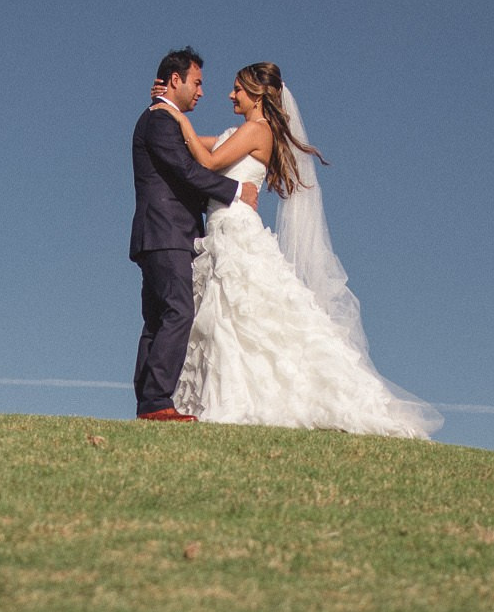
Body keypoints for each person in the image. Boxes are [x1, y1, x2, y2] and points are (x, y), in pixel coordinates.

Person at [150, 62, 439, 438]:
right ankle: (224, 395)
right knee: (227, 319)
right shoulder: (238, 132)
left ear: (256, 93)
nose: (229, 94)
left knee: (244, 314)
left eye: (237, 88)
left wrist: (172, 112)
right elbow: (191, 145)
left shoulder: (258, 130)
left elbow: (207, 161)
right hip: (219, 235)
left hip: (237, 232)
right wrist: (169, 114)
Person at [128, 48, 259, 421]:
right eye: (197, 82)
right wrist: (235, 192)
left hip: (159, 234)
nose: (201, 91)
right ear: (175, 80)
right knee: (178, 311)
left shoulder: (165, 118)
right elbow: (186, 170)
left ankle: (149, 404)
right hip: (166, 232)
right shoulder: (159, 121)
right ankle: (156, 401)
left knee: (157, 319)